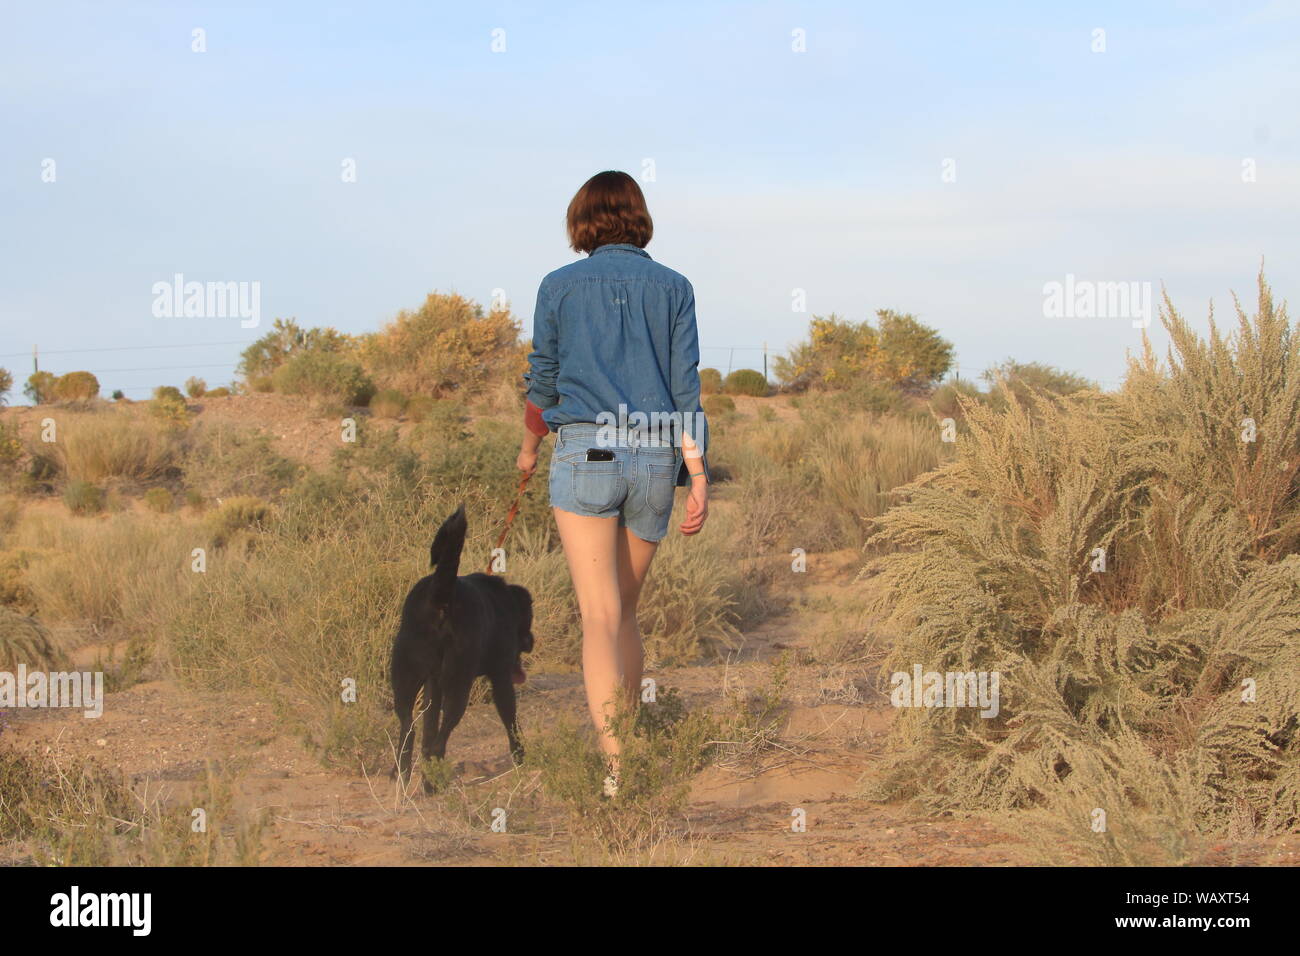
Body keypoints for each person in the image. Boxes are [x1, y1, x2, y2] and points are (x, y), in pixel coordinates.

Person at [517, 170, 710, 796]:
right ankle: (629, 750)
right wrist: (698, 474)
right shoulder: (675, 287)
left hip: (588, 452)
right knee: (626, 612)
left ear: (583, 221)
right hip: (656, 458)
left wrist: (528, 447)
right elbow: (686, 390)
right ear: (640, 216)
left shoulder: (558, 287)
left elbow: (542, 382)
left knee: (598, 614)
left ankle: (617, 771)